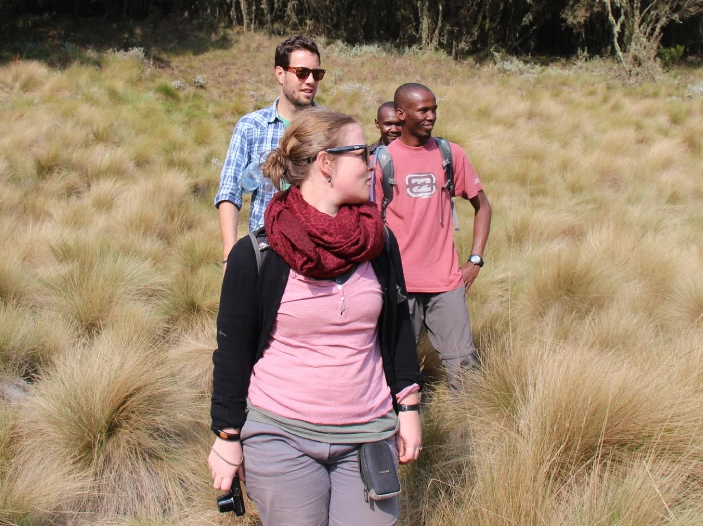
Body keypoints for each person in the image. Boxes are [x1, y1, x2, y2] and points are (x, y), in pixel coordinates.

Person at [209, 108, 423, 526]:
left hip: (368, 432)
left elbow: (398, 329)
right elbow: (232, 353)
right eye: (362, 153)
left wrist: (409, 407)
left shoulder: (379, 243)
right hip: (279, 434)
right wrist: (227, 436)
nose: (372, 163)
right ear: (326, 163)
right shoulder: (258, 254)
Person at [373, 83, 491, 391]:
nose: (431, 116)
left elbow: (483, 207)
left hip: (446, 283)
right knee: (397, 369)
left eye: (434, 109)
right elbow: (369, 224)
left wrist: (475, 260)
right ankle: (407, 421)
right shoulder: (381, 161)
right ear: (401, 114)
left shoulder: (450, 154)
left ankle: (467, 422)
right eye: (423, 110)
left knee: (464, 368)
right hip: (400, 286)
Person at [215, 35, 324, 263]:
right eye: (302, 72)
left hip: (316, 252)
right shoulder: (251, 126)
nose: (310, 80)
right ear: (280, 74)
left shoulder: (329, 127)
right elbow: (229, 190)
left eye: (317, 74)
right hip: (265, 250)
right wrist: (229, 255)